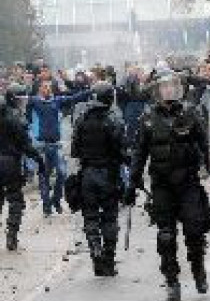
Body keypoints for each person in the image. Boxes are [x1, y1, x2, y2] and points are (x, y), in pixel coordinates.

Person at [128, 70, 210, 301]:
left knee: (195, 231)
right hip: (162, 185)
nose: (168, 90)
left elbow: (206, 145)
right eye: (164, 86)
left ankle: (198, 270)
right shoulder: (147, 118)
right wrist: (133, 181)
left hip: (188, 182)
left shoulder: (191, 113)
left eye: (172, 85)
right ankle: (172, 281)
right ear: (157, 90)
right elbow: (139, 152)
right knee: (166, 236)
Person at [71, 82, 127, 276]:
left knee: (90, 217)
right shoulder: (114, 121)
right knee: (110, 217)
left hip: (87, 175)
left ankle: (96, 253)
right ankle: (109, 262)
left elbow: (74, 150)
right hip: (108, 174)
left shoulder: (81, 120)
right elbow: (122, 151)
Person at [26, 80, 92, 216]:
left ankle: (55, 200)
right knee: (44, 177)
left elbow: (75, 98)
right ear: (39, 90)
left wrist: (91, 90)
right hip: (42, 146)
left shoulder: (56, 101)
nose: (47, 89)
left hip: (56, 146)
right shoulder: (35, 101)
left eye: (49, 87)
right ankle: (46, 207)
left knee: (62, 173)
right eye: (44, 87)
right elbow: (21, 103)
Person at [0, 84, 45, 250]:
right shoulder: (16, 118)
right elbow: (26, 145)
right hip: (10, 162)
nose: (23, 103)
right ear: (13, 99)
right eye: (21, 100)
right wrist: (39, 160)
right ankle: (11, 236)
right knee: (15, 200)